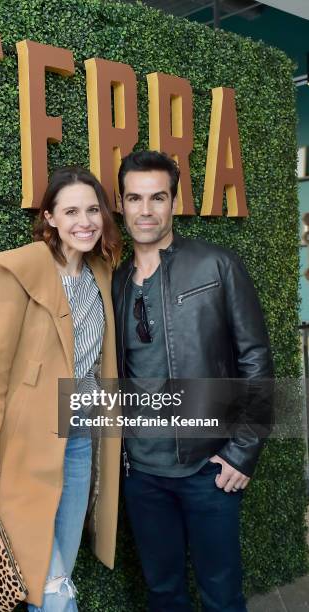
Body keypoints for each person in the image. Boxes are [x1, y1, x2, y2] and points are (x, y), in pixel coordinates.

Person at [112, 150, 274, 612]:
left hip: (209, 469)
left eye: (157, 197)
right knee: (163, 594)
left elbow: (256, 359)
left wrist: (242, 452)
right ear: (121, 205)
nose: (146, 210)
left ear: (173, 202)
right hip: (142, 474)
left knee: (222, 596)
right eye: (134, 198)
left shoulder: (217, 266)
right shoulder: (116, 282)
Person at [0, 166, 122, 611]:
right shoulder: (20, 270)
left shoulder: (102, 273)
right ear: (49, 217)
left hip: (80, 437)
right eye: (71, 211)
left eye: (93, 210)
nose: (84, 221)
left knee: (57, 572)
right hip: (26, 445)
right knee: (50, 586)